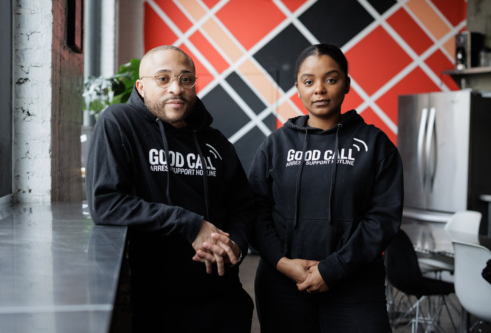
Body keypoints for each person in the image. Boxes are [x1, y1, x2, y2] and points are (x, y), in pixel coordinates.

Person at [85, 45, 254, 332]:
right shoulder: (120, 123)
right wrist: (190, 224)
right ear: (141, 86)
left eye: (186, 79)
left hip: (225, 298)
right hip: (160, 303)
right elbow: (107, 203)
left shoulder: (215, 141)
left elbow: (244, 207)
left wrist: (235, 244)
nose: (176, 88)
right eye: (163, 78)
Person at [248, 43, 404, 332]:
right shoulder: (275, 145)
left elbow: (382, 219)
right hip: (283, 288)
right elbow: (256, 211)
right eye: (309, 82)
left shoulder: (375, 144)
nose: (319, 89)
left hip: (355, 289)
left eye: (331, 79)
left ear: (346, 84)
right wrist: (283, 264)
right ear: (298, 87)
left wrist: (333, 269)